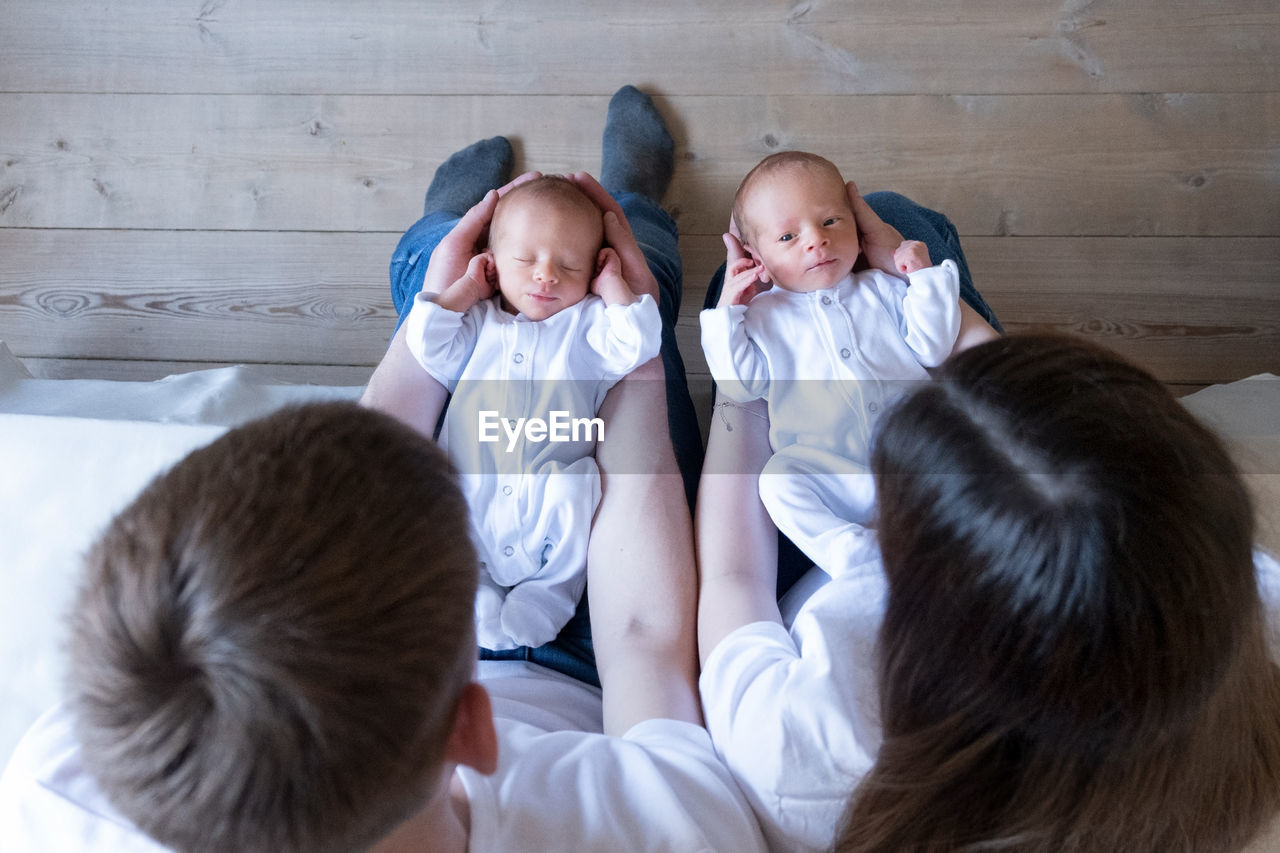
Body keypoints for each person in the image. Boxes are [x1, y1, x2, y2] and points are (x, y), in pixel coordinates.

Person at [0, 88, 767, 852]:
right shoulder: (671, 825)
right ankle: (628, 214)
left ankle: (445, 225)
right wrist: (632, 351)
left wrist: (428, 326)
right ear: (471, 726)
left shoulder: (57, 782)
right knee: (637, 306)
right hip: (587, 661)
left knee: (441, 301)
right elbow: (638, 634)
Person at [698, 330, 1280, 851]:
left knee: (840, 245)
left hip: (781, 585)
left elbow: (733, 578)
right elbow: (1041, 465)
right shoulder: (1228, 593)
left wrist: (736, 386)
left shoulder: (803, 751)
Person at [402, 174, 662, 650]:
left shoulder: (588, 325)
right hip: (471, 488)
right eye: (526, 260)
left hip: (550, 496)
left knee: (574, 496)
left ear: (593, 269)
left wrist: (614, 289)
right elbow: (426, 345)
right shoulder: (479, 321)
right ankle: (471, 590)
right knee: (444, 517)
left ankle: (549, 596)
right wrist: (462, 290)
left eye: (568, 264)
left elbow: (640, 343)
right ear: (493, 265)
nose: (547, 275)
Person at [700, 151, 962, 577]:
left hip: (920, 456)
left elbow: (933, 348)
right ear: (756, 259)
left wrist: (923, 279)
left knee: (973, 443)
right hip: (832, 474)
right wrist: (726, 312)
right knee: (777, 480)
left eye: (830, 222)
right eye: (787, 237)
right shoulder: (761, 317)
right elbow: (739, 386)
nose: (815, 241)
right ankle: (854, 557)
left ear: (856, 226)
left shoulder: (881, 287)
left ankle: (957, 535)